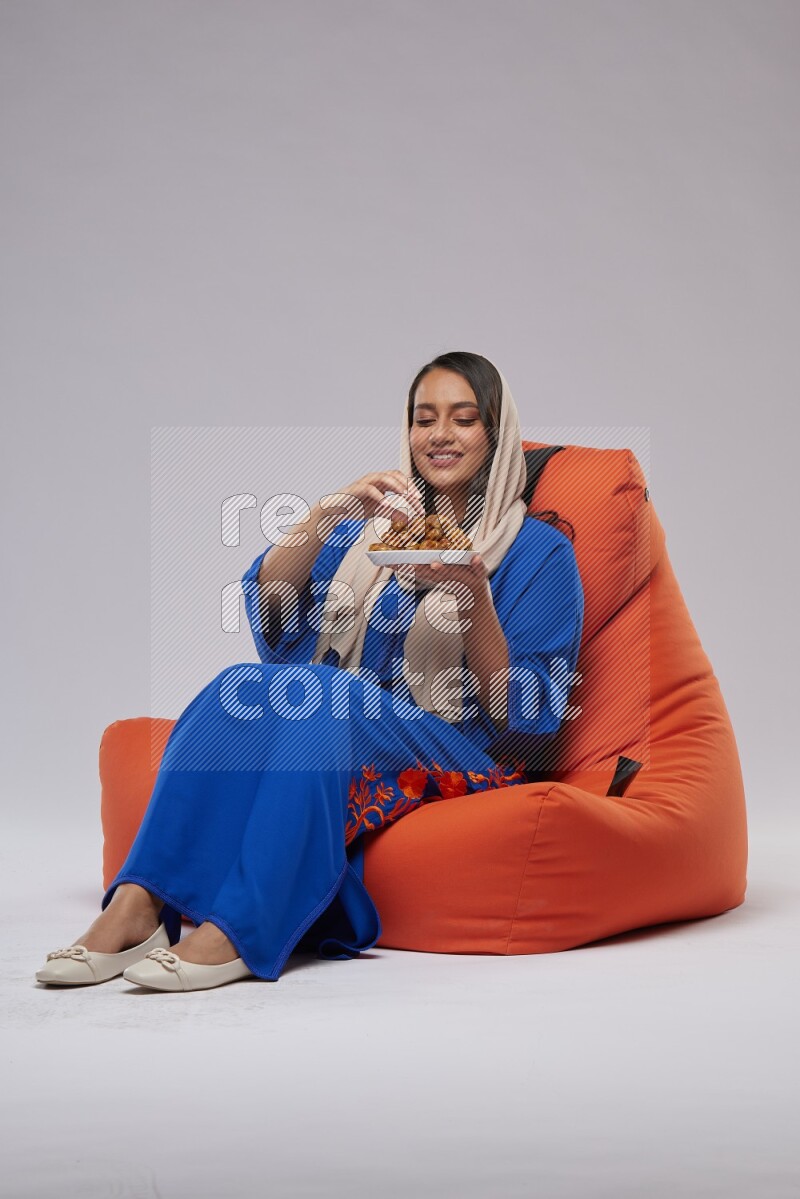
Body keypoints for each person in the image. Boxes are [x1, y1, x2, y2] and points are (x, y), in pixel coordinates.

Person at [35, 351, 585, 992]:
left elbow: (526, 711)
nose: (439, 435)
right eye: (423, 418)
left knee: (328, 695)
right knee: (238, 687)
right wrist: (324, 512)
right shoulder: (376, 530)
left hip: (467, 750)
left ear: (496, 434)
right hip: (349, 716)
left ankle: (244, 927)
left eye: (463, 419)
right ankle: (139, 905)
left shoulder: (542, 551)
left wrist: (473, 594)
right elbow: (276, 613)